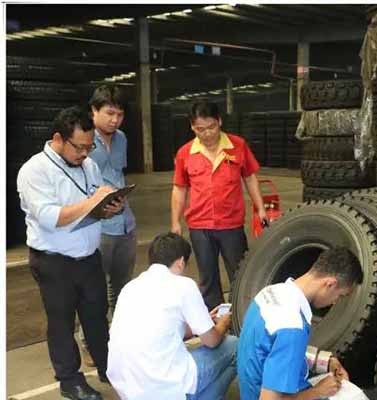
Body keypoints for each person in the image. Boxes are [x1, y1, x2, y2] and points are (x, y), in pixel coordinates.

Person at [17, 106, 124, 400]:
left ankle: (108, 366)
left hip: (89, 257)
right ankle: (70, 380)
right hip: (54, 261)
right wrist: (93, 203)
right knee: (62, 322)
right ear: (58, 138)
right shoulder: (33, 171)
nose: (85, 154)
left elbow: (92, 205)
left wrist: (109, 206)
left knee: (96, 316)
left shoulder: (88, 165)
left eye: (89, 147)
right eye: (79, 147)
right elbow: (51, 217)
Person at [107, 232, 238, 400]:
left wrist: (201, 326)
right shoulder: (184, 285)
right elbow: (212, 341)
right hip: (163, 385)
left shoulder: (130, 288)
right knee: (235, 345)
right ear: (181, 262)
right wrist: (222, 324)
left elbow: (158, 331)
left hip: (128, 388)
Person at [171, 100, 267, 310]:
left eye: (211, 127)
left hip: (231, 224)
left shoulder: (238, 145)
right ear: (192, 126)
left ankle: (241, 315)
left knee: (240, 273)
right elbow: (179, 188)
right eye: (200, 129)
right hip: (199, 225)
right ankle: (214, 319)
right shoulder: (185, 153)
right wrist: (175, 222)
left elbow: (250, 177)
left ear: (220, 121)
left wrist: (260, 208)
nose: (206, 134)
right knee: (208, 278)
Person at [237, 247, 364, 400]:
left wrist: (324, 361)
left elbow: (273, 351)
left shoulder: (270, 292)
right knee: (357, 396)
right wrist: (318, 391)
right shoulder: (292, 327)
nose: (335, 302)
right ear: (330, 284)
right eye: (339, 295)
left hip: (252, 391)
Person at [79, 84, 137, 366]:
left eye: (120, 115)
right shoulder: (83, 139)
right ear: (94, 111)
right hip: (97, 227)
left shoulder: (123, 138)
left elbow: (117, 173)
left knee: (122, 287)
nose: (115, 120)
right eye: (109, 113)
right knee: (93, 290)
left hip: (125, 223)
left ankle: (117, 337)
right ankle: (89, 342)